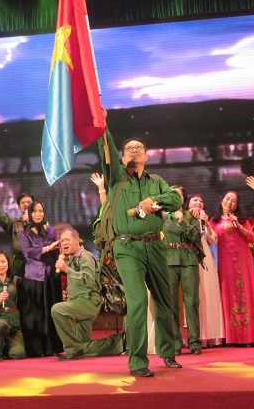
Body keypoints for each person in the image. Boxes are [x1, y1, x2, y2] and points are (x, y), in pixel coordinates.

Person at [97, 120, 183, 378]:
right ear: (122, 158)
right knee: (137, 302)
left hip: (156, 245)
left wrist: (153, 199)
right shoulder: (115, 177)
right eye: (129, 149)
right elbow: (106, 148)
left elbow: (175, 199)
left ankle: (168, 351)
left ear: (146, 156)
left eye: (139, 148)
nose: (134, 150)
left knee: (165, 300)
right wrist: (102, 124)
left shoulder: (156, 181)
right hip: (127, 247)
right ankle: (137, 360)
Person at [51, 228, 125, 360]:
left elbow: (89, 280)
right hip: (80, 301)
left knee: (57, 310)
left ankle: (72, 350)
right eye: (61, 241)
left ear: (77, 240)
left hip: (89, 301)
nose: (64, 243)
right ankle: (120, 342)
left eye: (67, 239)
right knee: (83, 346)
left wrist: (66, 269)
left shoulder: (85, 256)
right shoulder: (73, 258)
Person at [209, 190, 254, 346]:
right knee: (228, 294)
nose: (229, 202)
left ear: (237, 205)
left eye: (234, 201)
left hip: (244, 260)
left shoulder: (241, 220)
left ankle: (250, 337)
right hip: (225, 261)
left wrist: (238, 225)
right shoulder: (214, 221)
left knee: (247, 294)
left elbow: (252, 238)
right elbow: (211, 239)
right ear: (222, 201)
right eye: (227, 199)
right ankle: (232, 337)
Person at [19, 199, 63, 357]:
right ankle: (36, 349)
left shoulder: (51, 230)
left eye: (40, 211)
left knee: (51, 311)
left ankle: (52, 347)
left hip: (50, 275)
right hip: (33, 276)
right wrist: (47, 248)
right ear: (30, 213)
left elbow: (56, 252)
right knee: (35, 312)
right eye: (35, 211)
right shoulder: (24, 232)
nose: (38, 214)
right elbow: (26, 252)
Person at [164, 186, 203, 355]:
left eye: (177, 195)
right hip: (169, 260)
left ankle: (194, 342)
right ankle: (175, 342)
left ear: (183, 199)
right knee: (171, 303)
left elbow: (196, 237)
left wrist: (183, 221)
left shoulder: (191, 215)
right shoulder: (162, 216)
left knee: (192, 301)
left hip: (188, 259)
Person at [187, 194, 225, 348]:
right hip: (189, 256)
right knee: (194, 295)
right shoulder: (183, 218)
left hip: (205, 257)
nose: (198, 202)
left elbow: (213, 239)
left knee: (208, 293)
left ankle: (210, 335)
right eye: (195, 200)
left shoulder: (204, 220)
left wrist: (207, 224)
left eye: (201, 201)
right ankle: (194, 335)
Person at [0, 181, 33, 280]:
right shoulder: (15, 224)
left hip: (36, 266)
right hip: (18, 268)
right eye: (22, 203)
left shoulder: (42, 225)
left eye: (28, 202)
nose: (25, 205)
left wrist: (30, 222)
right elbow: (1, 217)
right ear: (19, 207)